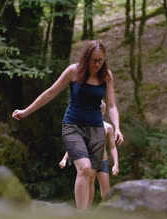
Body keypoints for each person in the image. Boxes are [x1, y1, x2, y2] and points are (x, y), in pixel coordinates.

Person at [12, 40, 123, 210]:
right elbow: (50, 93)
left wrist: (117, 128)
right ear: (86, 58)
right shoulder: (73, 71)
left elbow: (112, 105)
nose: (97, 64)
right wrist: (25, 112)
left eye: (101, 60)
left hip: (96, 129)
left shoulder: (106, 75)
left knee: (92, 174)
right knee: (85, 168)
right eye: (94, 60)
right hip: (73, 126)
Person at [59, 100, 118, 204]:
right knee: (90, 184)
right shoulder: (85, 127)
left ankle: (108, 211)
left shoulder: (108, 127)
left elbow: (112, 147)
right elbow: (75, 145)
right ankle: (87, 210)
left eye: (98, 110)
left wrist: (116, 164)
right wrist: (64, 159)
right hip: (91, 160)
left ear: (103, 111)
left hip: (103, 161)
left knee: (106, 191)